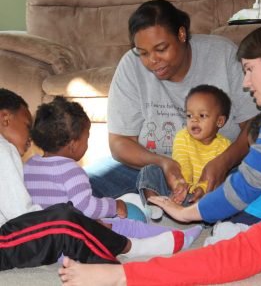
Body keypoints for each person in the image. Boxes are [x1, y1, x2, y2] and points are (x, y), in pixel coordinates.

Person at [58, 21, 261, 286]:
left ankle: (122, 276)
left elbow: (251, 183)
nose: (246, 81)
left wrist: (190, 213)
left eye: (249, 69)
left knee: (244, 250)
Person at [0, 88, 201, 271]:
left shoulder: (30, 165)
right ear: (5, 118)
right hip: (29, 241)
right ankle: (151, 242)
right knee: (107, 223)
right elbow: (24, 215)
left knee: (78, 218)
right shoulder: (7, 150)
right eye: (27, 124)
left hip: (34, 241)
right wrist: (103, 212)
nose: (29, 132)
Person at [85, 0, 259, 199]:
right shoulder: (130, 65)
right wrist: (164, 163)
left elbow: (254, 126)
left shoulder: (223, 55)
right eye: (143, 53)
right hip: (154, 166)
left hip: (221, 167)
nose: (152, 60)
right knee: (79, 185)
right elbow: (119, 142)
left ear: (182, 34)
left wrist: (224, 163)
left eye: (161, 49)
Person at [24, 96, 202, 240]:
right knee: (124, 227)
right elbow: (88, 208)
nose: (88, 142)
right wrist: (114, 205)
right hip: (69, 236)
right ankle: (172, 238)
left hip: (39, 236)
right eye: (87, 137)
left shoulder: (29, 166)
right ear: (72, 145)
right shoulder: (72, 171)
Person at [138, 85, 232, 220]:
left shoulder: (225, 146)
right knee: (149, 170)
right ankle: (155, 206)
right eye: (189, 115)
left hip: (202, 197)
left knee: (230, 181)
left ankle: (201, 217)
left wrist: (202, 189)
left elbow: (217, 177)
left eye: (202, 115)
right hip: (175, 191)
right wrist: (180, 186)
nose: (194, 119)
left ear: (219, 121)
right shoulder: (182, 136)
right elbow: (182, 162)